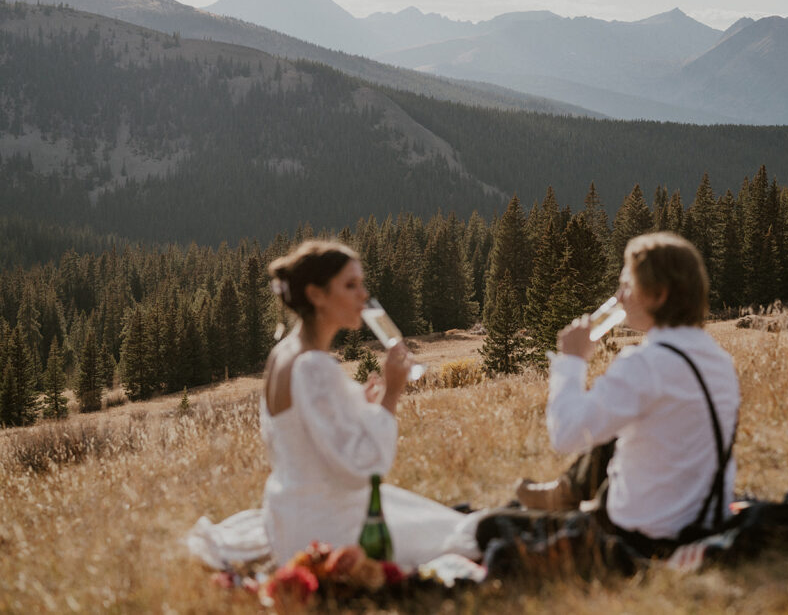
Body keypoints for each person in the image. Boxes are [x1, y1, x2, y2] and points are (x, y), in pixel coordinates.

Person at [188, 240, 479, 572]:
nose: (363, 295)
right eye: (350, 285)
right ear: (316, 295)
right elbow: (363, 469)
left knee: (434, 518)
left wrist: (359, 401)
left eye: (361, 284)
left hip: (288, 516)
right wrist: (391, 394)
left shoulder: (284, 353)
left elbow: (305, 423)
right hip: (326, 530)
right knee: (460, 536)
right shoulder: (314, 365)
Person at [478, 232, 740, 561]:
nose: (619, 296)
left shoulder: (643, 364)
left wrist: (571, 361)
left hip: (642, 535)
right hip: (707, 520)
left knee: (488, 526)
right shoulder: (719, 360)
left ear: (658, 295)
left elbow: (565, 436)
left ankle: (567, 498)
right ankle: (568, 493)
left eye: (627, 285)